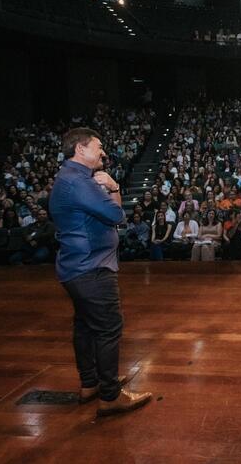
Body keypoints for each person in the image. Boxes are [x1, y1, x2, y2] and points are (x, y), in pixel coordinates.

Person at [49, 127, 152, 417]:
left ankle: (90, 384)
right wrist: (115, 187)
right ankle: (109, 396)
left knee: (85, 327)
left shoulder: (70, 178)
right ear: (80, 150)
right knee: (108, 328)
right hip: (91, 268)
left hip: (78, 267)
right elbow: (116, 215)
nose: (103, 152)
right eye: (98, 147)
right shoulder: (78, 182)